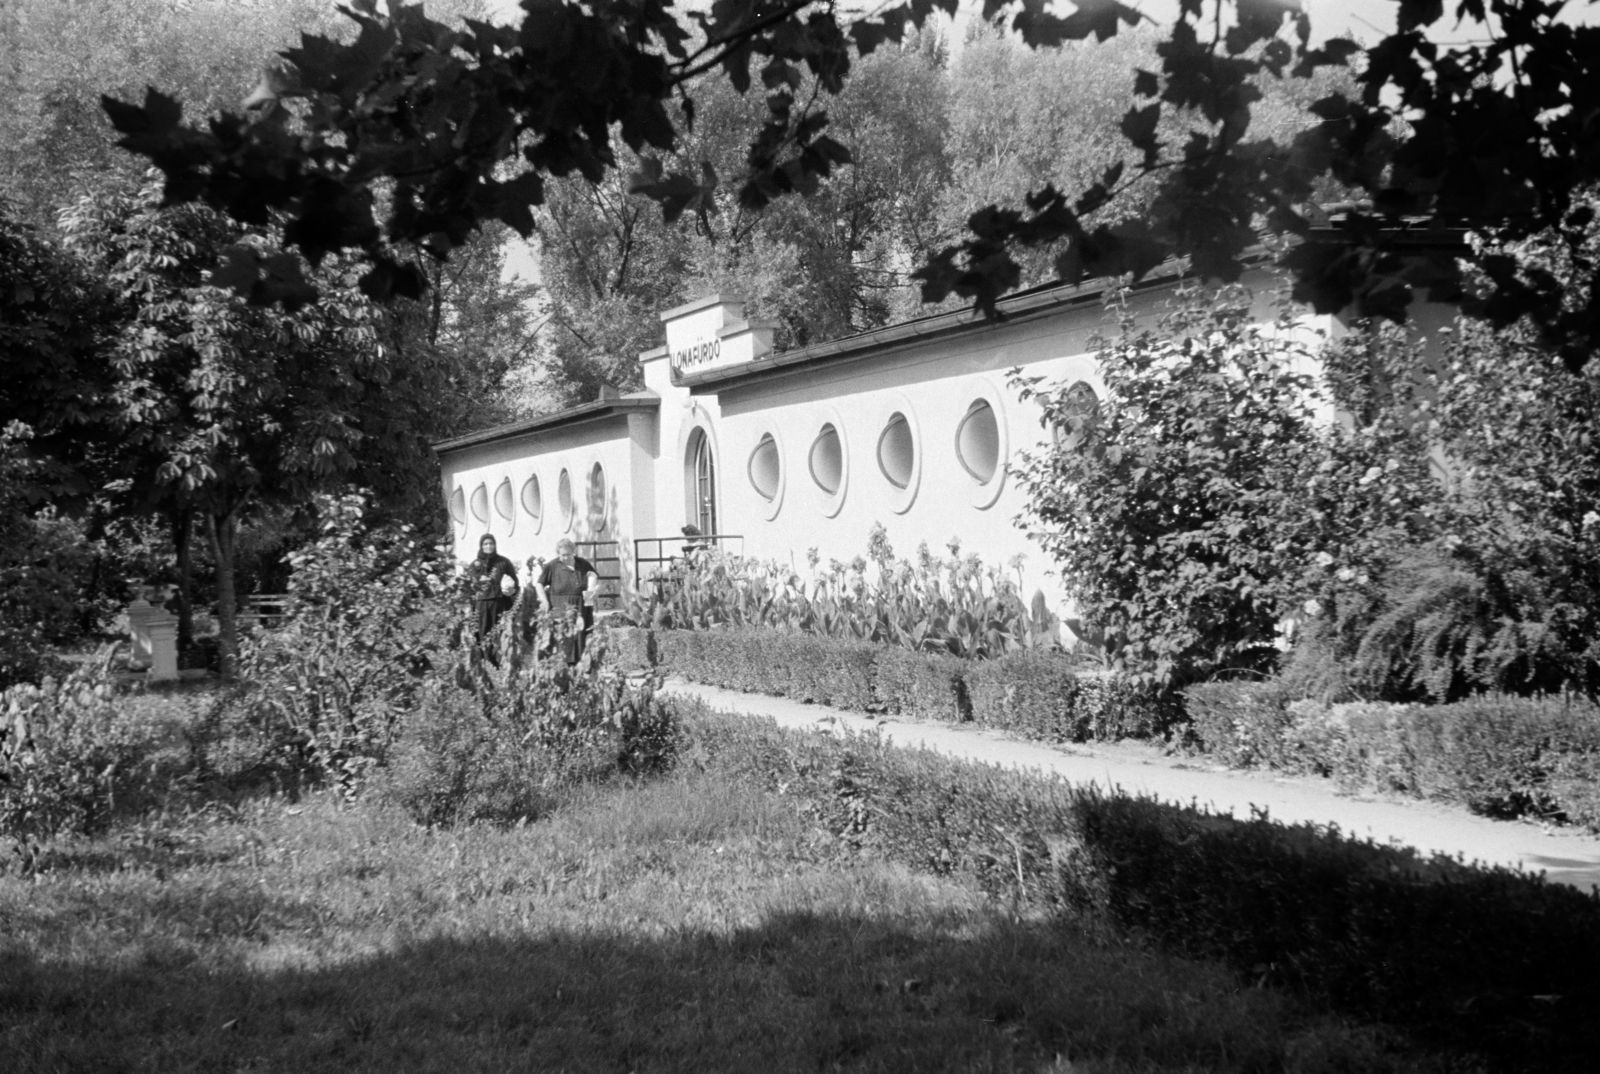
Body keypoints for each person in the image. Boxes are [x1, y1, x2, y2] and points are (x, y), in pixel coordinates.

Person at [538, 538, 598, 664]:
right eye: (562, 555)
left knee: (582, 637)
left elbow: (595, 579)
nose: (564, 558)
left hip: (581, 607)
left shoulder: (583, 564)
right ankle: (563, 668)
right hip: (560, 608)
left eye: (567, 555)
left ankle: (582, 667)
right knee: (563, 638)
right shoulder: (552, 566)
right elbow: (539, 584)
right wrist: (545, 601)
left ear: (574, 552)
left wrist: (593, 592)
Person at [467, 534, 518, 650]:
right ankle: (486, 662)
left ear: (495, 545)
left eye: (491, 543)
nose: (488, 546)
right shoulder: (475, 565)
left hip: (501, 602)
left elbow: (515, 581)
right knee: (484, 633)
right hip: (482, 604)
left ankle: (502, 663)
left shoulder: (504, 562)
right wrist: (478, 581)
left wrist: (511, 589)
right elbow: (470, 584)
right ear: (481, 546)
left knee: (501, 632)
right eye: (485, 544)